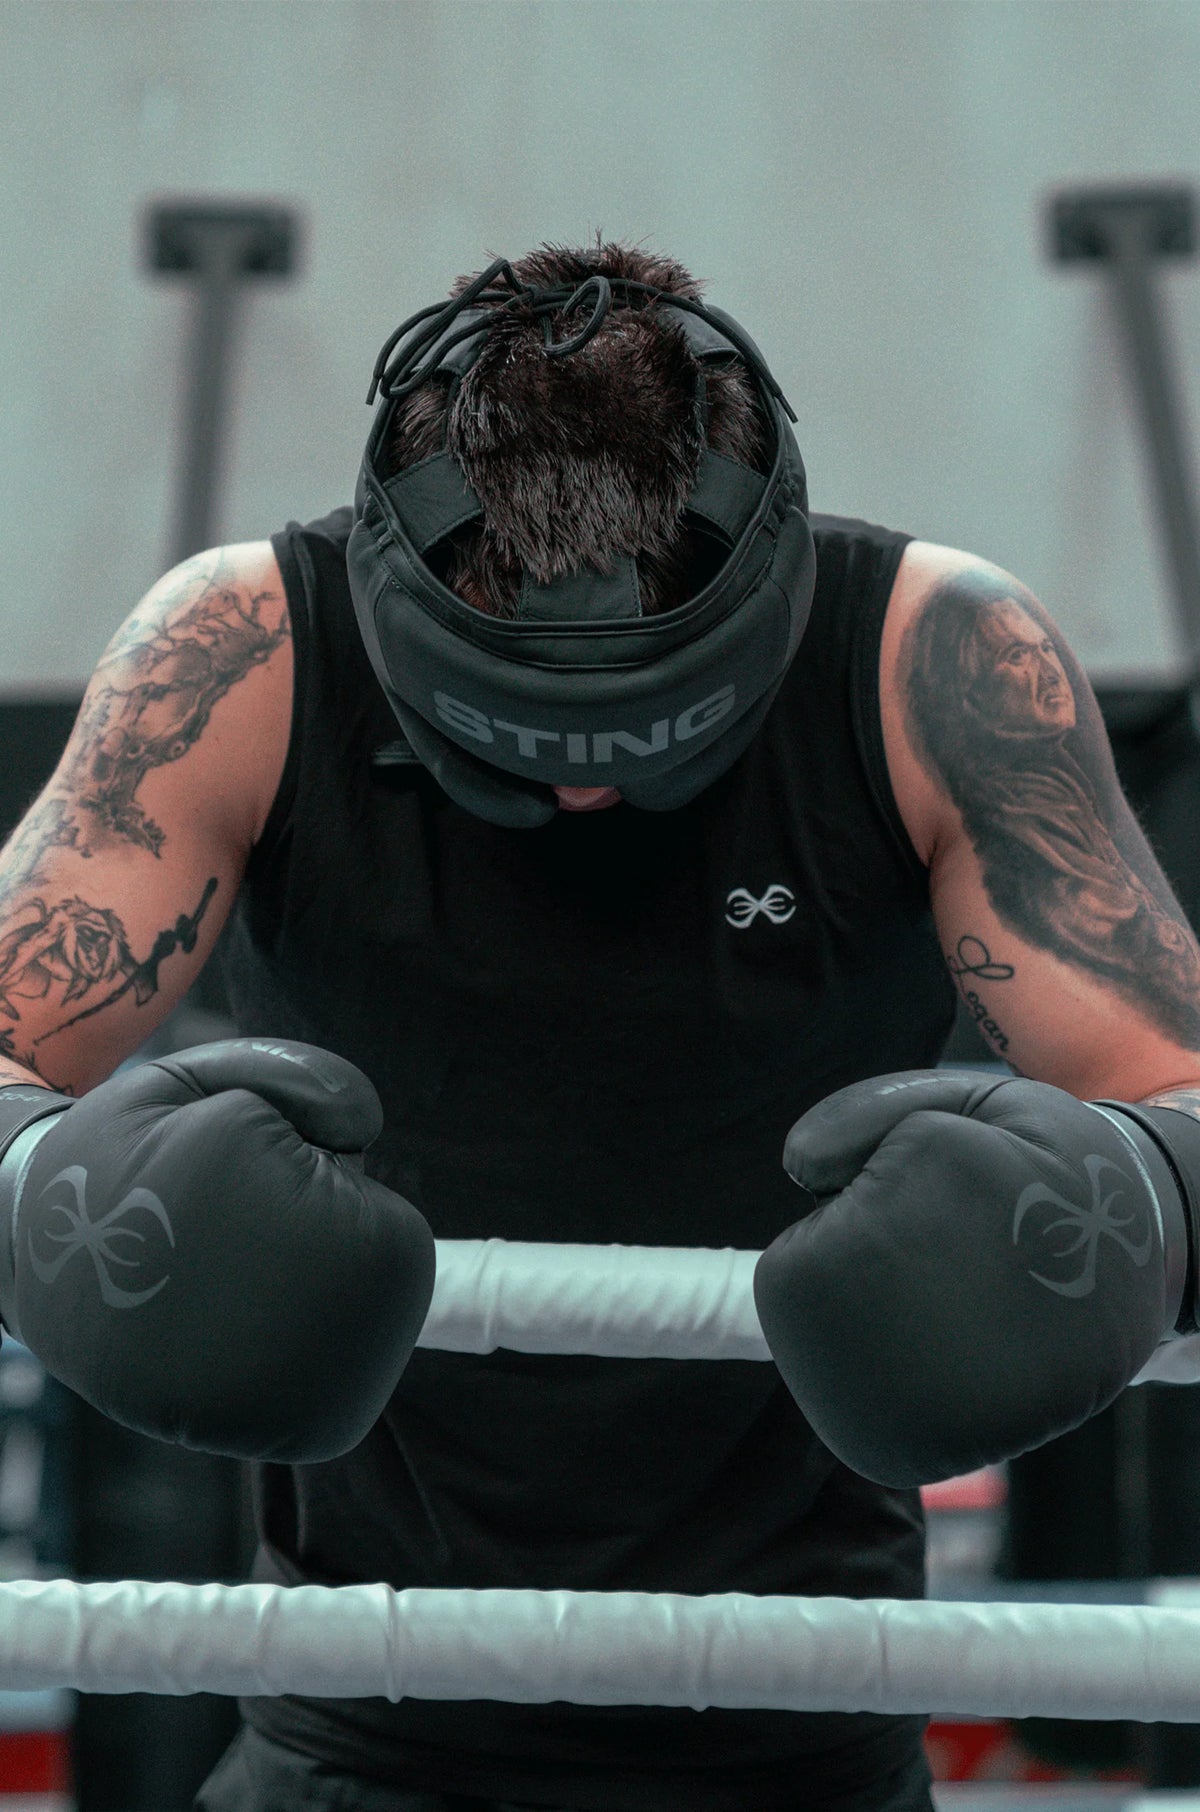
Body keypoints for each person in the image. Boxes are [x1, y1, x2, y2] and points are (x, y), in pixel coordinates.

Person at [1, 237, 1200, 1812]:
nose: (581, 789)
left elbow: (1171, 1083)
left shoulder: (933, 657)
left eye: (646, 730)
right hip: (355, 1706)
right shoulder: (243, 652)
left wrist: (1124, 1209)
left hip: (811, 1707)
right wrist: (49, 1197)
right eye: (508, 726)